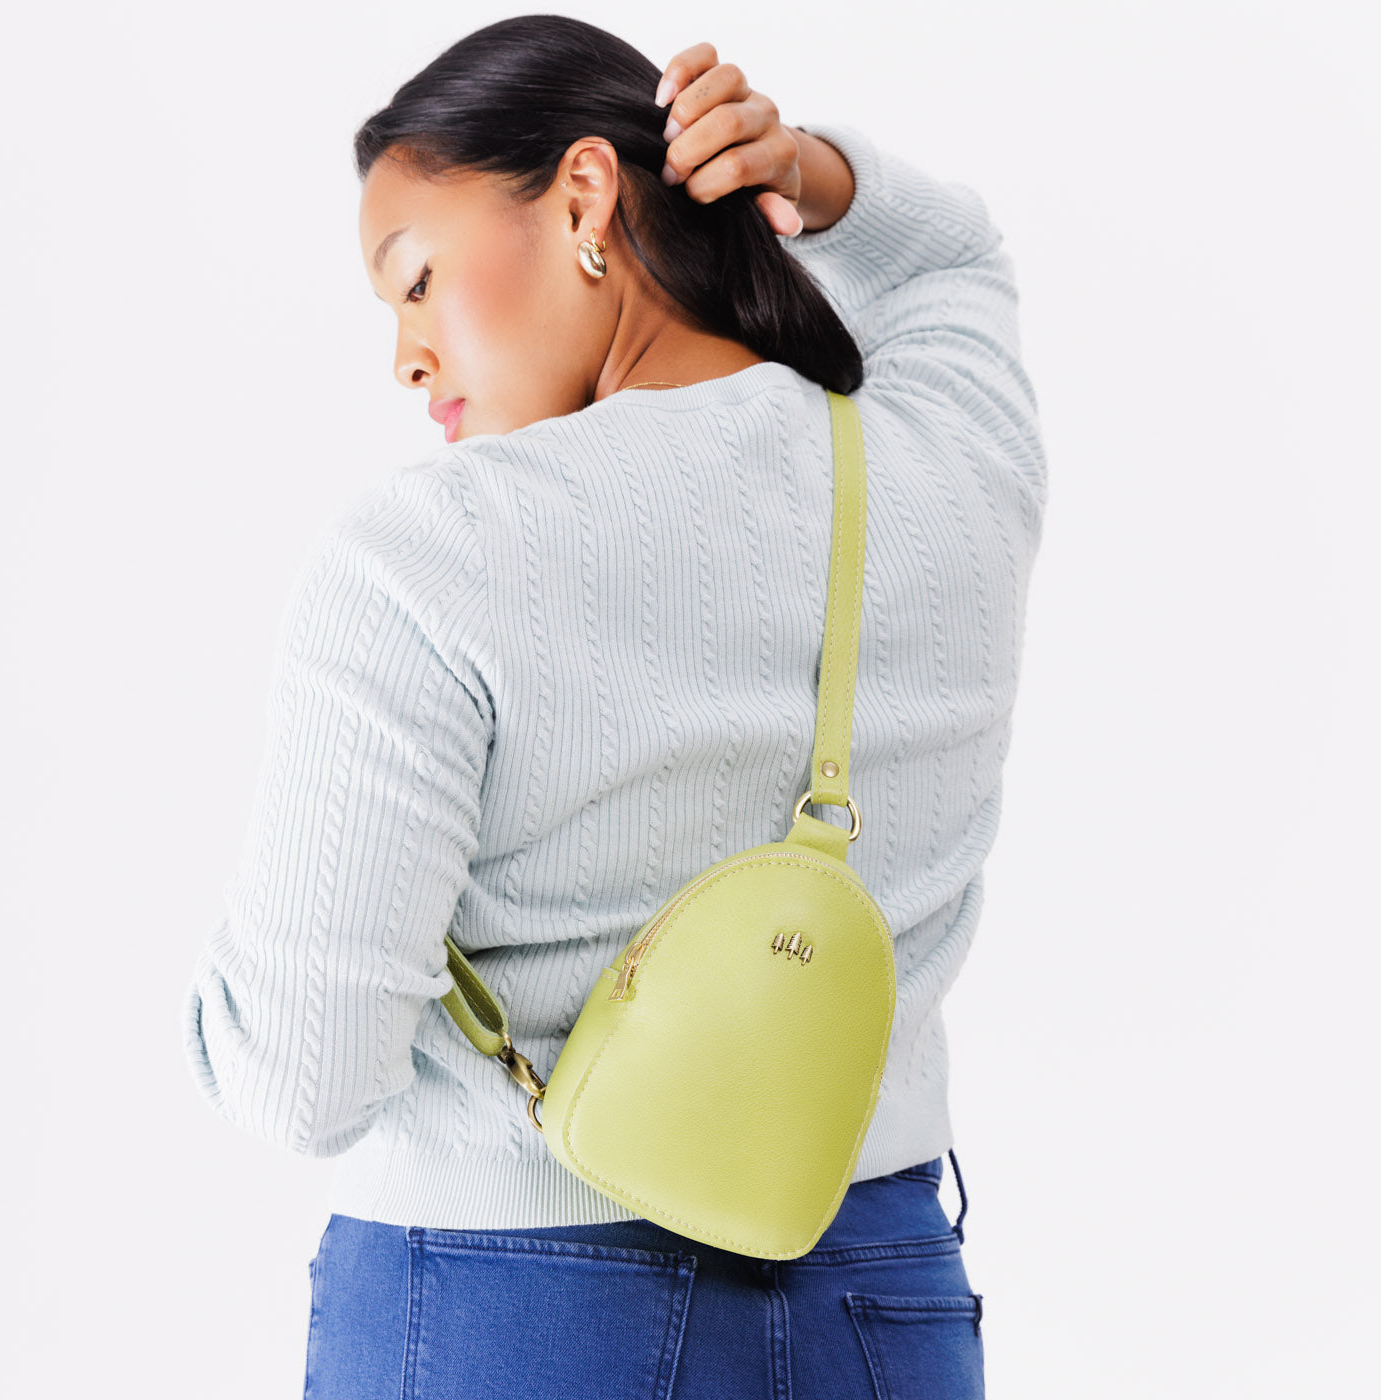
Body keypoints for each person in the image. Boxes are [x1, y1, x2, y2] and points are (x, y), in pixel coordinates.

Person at [181, 16, 1045, 1399]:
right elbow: (949, 258)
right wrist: (802, 169)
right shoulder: (953, 463)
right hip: (882, 1301)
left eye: (415, 280)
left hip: (506, 1308)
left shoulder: (428, 557)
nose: (406, 357)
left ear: (586, 195)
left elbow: (301, 1082)